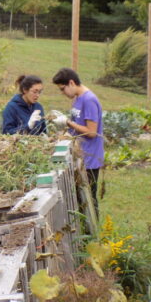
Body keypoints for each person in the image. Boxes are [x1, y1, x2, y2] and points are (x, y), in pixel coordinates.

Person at [51, 67, 104, 215]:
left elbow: (92, 132)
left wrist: (68, 122)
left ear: (71, 83)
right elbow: (77, 125)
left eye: (63, 89)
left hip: (90, 158)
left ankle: (93, 233)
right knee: (79, 198)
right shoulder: (77, 99)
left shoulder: (89, 100)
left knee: (89, 199)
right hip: (79, 155)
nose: (62, 93)